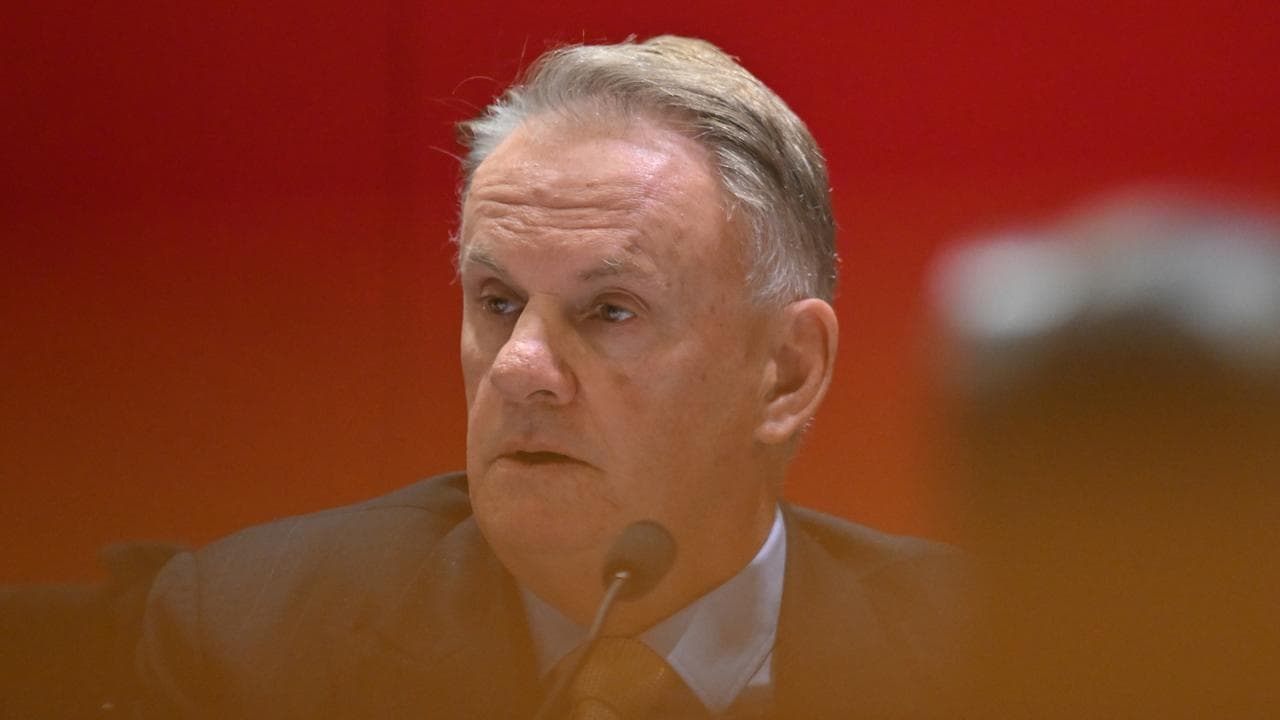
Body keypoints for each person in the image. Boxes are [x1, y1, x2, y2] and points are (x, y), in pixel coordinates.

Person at [137, 35, 971, 719]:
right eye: (497, 302)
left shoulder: (996, 660)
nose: (518, 369)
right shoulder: (252, 643)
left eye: (610, 310)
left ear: (785, 373)